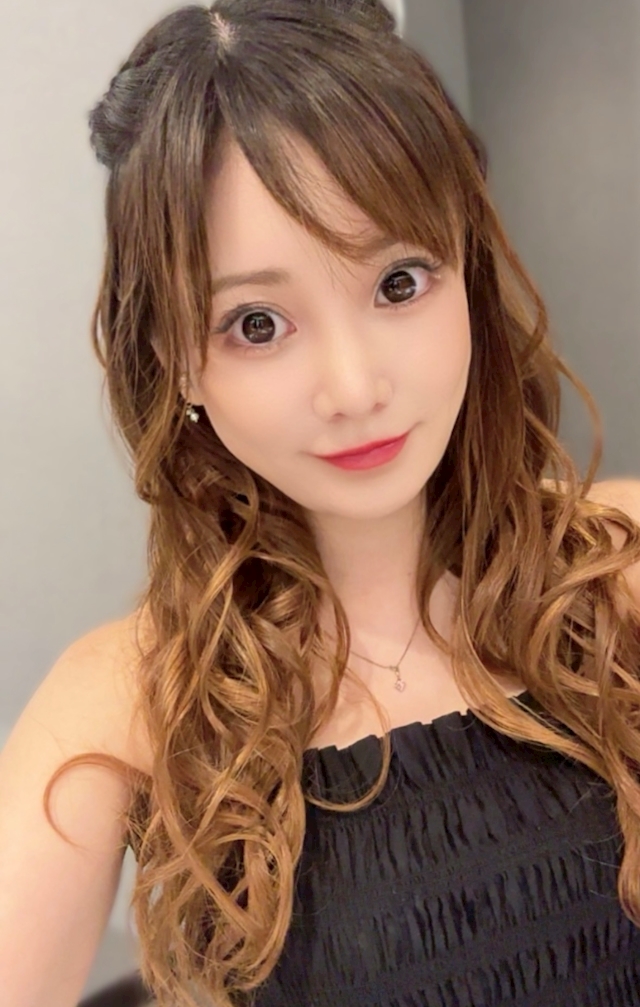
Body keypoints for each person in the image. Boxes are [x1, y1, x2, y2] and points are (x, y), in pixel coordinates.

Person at [2, 1, 640, 1005]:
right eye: (257, 323)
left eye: (399, 282)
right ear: (179, 359)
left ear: (466, 273)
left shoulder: (619, 570)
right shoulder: (124, 706)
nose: (353, 387)